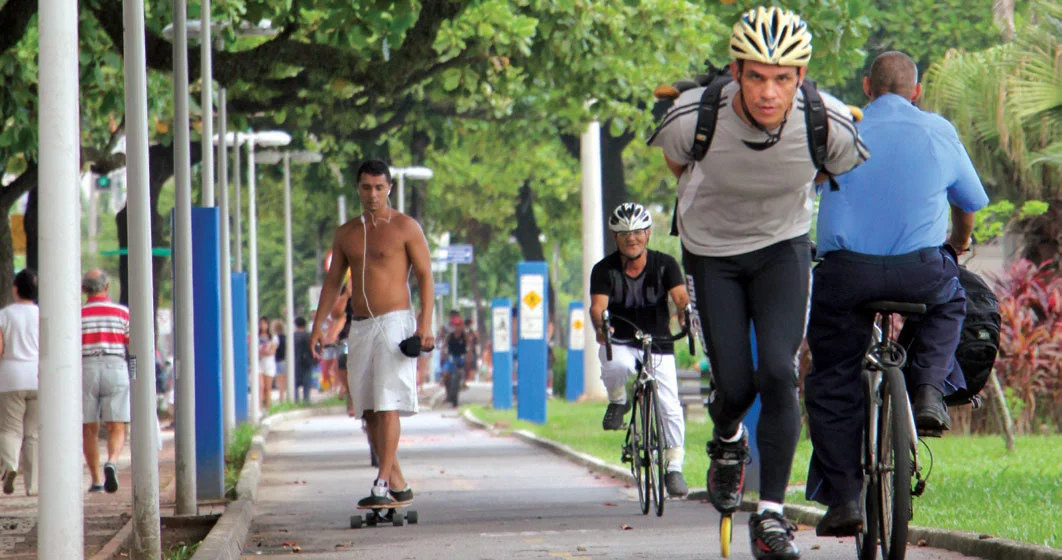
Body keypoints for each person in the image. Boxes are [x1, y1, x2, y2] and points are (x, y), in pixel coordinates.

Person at [648, 7, 869, 557]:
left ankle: (771, 517)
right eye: (756, 76)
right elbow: (679, 167)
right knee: (737, 385)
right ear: (735, 71)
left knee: (778, 370)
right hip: (712, 253)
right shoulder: (691, 118)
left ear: (801, 76)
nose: (769, 92)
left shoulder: (829, 124)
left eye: (783, 78)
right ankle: (727, 439)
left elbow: (828, 171)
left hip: (782, 249)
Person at [805, 51, 989, 537]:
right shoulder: (937, 130)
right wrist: (959, 243)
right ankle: (926, 389)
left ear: (866, 87)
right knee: (950, 299)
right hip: (918, 272)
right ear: (916, 91)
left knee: (831, 379)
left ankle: (844, 497)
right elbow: (969, 203)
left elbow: (807, 188)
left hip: (845, 274)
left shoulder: (840, 128)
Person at [310, 159, 435, 508]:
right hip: (361, 325)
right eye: (366, 187)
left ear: (390, 188)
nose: (373, 194)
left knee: (387, 403)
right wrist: (320, 326)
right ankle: (398, 481)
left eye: (380, 187)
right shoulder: (347, 233)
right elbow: (333, 282)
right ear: (358, 188)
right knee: (366, 407)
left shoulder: (406, 227)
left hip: (395, 323)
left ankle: (382, 481)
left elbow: (425, 276)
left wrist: (424, 324)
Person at [589, 203, 692, 498]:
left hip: (658, 341)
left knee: (669, 404)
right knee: (614, 364)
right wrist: (601, 325)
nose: (630, 238)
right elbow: (598, 306)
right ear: (615, 238)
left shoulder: (665, 264)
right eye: (623, 234)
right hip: (620, 339)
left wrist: (686, 314)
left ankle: (673, 467)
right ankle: (618, 401)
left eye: (636, 232)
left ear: (647, 234)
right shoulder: (604, 270)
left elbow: (680, 296)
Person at [80, 268, 131, 493]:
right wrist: (135, 374)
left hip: (86, 368)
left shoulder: (76, 314)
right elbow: (133, 345)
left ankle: (96, 479)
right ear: (107, 287)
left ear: (83, 290)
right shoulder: (122, 313)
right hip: (116, 366)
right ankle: (112, 460)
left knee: (89, 428)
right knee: (117, 425)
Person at [0, 269, 39, 496]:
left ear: (15, 288)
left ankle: (11, 466)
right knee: (32, 433)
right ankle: (33, 485)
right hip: (37, 376)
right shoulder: (41, 313)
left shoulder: (5, 315)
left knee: (10, 429)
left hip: (11, 377)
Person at [440, 316, 470, 407]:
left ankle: (464, 381)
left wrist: (469, 354)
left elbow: (469, 347)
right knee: (446, 374)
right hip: (451, 358)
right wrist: (443, 353)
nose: (457, 327)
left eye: (459, 325)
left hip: (461, 357)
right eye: (455, 325)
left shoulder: (465, 335)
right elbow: (444, 346)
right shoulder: (450, 336)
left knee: (468, 364)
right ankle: (447, 393)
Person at [257, 316, 278, 410]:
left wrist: (262, 352)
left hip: (269, 364)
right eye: (261, 323)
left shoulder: (273, 337)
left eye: (264, 323)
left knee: (267, 388)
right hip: (258, 364)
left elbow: (272, 351)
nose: (262, 326)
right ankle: (259, 407)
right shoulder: (256, 337)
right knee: (260, 386)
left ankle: (268, 408)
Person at [293, 317, 315, 403]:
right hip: (307, 362)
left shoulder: (293, 336)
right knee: (307, 382)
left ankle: (296, 400)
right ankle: (306, 400)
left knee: (295, 383)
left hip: (295, 362)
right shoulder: (308, 336)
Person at [272, 319, 288, 403]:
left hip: (277, 359)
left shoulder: (275, 338)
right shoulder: (285, 337)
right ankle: (283, 396)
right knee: (283, 379)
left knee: (279, 379)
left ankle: (281, 397)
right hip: (284, 359)